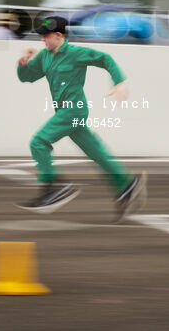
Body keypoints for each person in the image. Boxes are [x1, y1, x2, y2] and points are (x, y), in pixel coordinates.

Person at [15, 16, 145, 221]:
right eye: (41, 36)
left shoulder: (76, 53)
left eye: (46, 36)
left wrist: (118, 83)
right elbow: (27, 77)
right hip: (64, 113)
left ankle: (55, 187)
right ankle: (127, 184)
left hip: (74, 110)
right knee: (97, 153)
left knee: (39, 141)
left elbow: (105, 59)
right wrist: (24, 60)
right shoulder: (45, 57)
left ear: (59, 35)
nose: (43, 40)